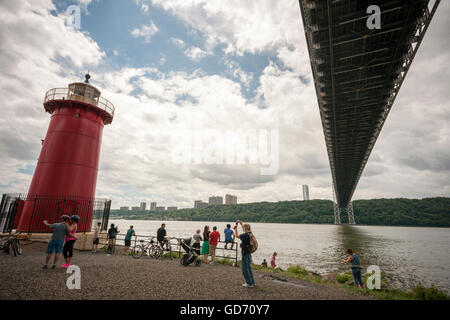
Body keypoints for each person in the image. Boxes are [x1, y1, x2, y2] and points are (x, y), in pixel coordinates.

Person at [234, 220, 255, 287]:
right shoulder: (250, 234)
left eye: (243, 228)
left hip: (245, 252)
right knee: (248, 267)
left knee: (244, 268)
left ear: (245, 228)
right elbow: (244, 227)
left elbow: (236, 235)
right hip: (249, 252)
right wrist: (240, 223)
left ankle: (248, 283)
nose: (243, 228)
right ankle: (252, 282)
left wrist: (236, 228)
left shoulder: (245, 235)